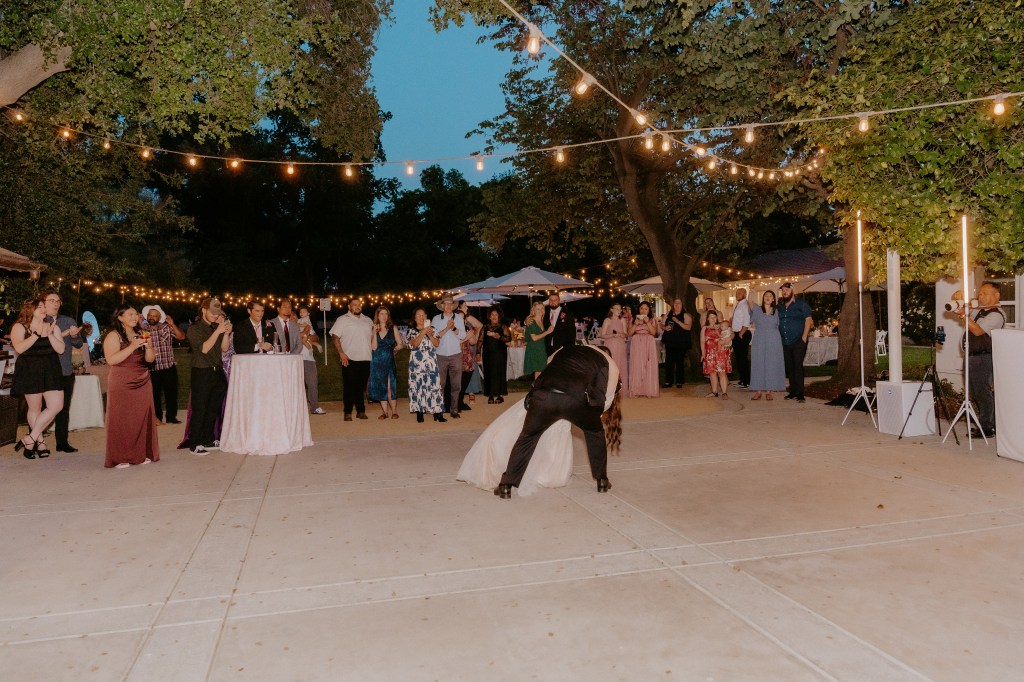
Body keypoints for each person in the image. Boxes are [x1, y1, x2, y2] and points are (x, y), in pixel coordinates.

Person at [489, 345, 622, 499]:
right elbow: (605, 393)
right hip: (576, 399)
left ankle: (506, 485)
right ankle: (602, 480)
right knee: (595, 433)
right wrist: (594, 415)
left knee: (527, 437)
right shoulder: (606, 361)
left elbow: (549, 362)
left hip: (545, 396)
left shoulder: (566, 349)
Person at [103, 306, 160, 468]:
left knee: (140, 418)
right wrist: (132, 346)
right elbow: (112, 360)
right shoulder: (113, 336)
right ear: (120, 317)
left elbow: (150, 360)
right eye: (130, 314)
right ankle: (120, 456)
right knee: (122, 419)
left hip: (142, 379)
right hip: (122, 381)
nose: (135, 317)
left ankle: (140, 454)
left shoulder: (141, 333)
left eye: (136, 314)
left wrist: (148, 346)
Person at [9, 296, 65, 458]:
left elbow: (61, 349)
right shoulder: (20, 327)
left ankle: (30, 438)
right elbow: (19, 348)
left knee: (56, 405)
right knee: (35, 407)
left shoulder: (53, 326)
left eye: (43, 307)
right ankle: (39, 442)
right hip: (29, 368)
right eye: (39, 307)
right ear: (29, 309)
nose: (43, 309)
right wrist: (36, 334)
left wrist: (49, 334)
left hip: (51, 368)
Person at [185, 297, 232, 455]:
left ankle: (207, 438)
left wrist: (225, 333)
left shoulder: (215, 327)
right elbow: (204, 349)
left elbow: (224, 349)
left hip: (217, 371)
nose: (214, 315)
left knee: (213, 408)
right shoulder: (194, 328)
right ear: (204, 310)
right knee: (200, 408)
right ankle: (195, 443)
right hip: (201, 371)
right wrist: (218, 331)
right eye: (212, 312)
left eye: (217, 312)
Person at [959, 281, 1004, 438]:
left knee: (983, 392)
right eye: (980, 293)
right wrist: (959, 301)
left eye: (985, 293)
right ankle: (983, 423)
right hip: (971, 356)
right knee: (974, 391)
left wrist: (965, 316)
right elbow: (964, 316)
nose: (981, 296)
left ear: (996, 296)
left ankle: (987, 427)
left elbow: (978, 331)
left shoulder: (997, 315)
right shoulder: (979, 311)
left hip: (984, 357)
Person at [44, 290, 84, 451]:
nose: (55, 303)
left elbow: (79, 344)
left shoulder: (67, 320)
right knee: (40, 407)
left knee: (63, 408)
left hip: (65, 370)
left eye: (58, 301)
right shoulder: (39, 321)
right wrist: (63, 334)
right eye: (51, 300)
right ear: (44, 303)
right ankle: (34, 440)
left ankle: (62, 442)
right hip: (44, 371)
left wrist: (74, 336)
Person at [140, 304, 186, 426]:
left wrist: (172, 324)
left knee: (171, 393)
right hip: (152, 369)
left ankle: (171, 417)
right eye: (150, 315)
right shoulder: (142, 329)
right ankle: (157, 418)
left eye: (155, 316)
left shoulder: (166, 328)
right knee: (154, 395)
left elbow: (181, 337)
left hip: (168, 366)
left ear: (159, 317)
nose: (151, 317)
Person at [329, 297, 373, 421]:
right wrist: (341, 353)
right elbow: (335, 337)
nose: (357, 306)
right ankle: (347, 412)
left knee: (361, 386)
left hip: (365, 358)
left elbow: (373, 338)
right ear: (349, 306)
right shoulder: (342, 319)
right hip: (349, 358)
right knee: (349, 386)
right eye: (355, 304)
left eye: (359, 304)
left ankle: (361, 411)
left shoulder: (368, 320)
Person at [406, 307, 446, 423]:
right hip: (417, 364)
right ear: (414, 318)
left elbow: (437, 343)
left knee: (434, 386)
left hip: (431, 362)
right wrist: (422, 332)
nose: (421, 317)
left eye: (423, 315)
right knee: (418, 386)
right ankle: (420, 411)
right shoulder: (411, 330)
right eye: (418, 315)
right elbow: (413, 344)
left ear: (426, 316)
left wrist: (429, 334)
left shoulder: (432, 329)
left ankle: (437, 412)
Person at [432, 293, 467, 419]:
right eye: (445, 303)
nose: (447, 306)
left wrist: (454, 329)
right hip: (440, 355)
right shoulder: (436, 319)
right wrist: (447, 328)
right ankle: (439, 410)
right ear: (442, 305)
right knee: (440, 384)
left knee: (456, 384)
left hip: (456, 355)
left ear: (453, 305)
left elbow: (463, 336)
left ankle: (454, 410)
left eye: (450, 303)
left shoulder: (458, 318)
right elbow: (434, 337)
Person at [777, 282, 813, 403]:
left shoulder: (801, 304)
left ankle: (800, 394)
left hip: (798, 341)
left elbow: (808, 319)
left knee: (798, 366)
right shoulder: (780, 306)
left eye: (787, 289)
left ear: (792, 290)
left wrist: (804, 337)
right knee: (789, 367)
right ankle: (792, 391)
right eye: (783, 290)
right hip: (785, 341)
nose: (785, 292)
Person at [747, 291, 786, 401]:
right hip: (759, 339)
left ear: (773, 299)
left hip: (774, 339)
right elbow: (749, 301)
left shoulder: (777, 311)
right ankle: (758, 391)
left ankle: (769, 391)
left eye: (770, 296)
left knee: (771, 364)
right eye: (766, 296)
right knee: (758, 364)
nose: (768, 297)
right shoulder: (757, 309)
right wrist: (751, 288)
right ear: (763, 298)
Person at [368, 305, 402, 420]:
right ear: (377, 315)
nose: (384, 316)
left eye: (386, 314)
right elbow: (373, 347)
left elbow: (400, 344)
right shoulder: (373, 329)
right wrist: (374, 332)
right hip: (377, 361)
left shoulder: (393, 328)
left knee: (389, 387)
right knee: (381, 387)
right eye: (382, 314)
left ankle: (394, 411)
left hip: (389, 361)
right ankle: (384, 412)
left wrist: (396, 349)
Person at [627, 301, 660, 398]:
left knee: (648, 365)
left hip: (648, 343)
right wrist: (635, 325)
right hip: (636, 343)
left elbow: (654, 332)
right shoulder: (633, 319)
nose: (643, 310)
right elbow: (629, 333)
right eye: (642, 308)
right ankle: (636, 390)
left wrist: (647, 322)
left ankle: (649, 390)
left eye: (646, 308)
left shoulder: (652, 320)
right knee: (637, 365)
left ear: (649, 310)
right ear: (639, 309)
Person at [297, 307, 325, 415]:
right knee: (298, 384)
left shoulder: (306, 320)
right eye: (300, 312)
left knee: (312, 383)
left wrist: (307, 336)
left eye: (303, 312)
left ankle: (314, 406)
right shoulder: (293, 324)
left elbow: (314, 335)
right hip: (296, 358)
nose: (301, 313)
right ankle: (300, 407)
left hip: (308, 358)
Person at [456, 303, 483, 411]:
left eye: (464, 319)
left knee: (465, 379)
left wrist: (473, 335)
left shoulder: (466, 327)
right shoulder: (453, 329)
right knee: (457, 381)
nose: (467, 308)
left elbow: (473, 342)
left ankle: (460, 401)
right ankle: (456, 402)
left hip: (467, 356)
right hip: (456, 356)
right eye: (464, 306)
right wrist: (467, 337)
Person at [480, 306, 510, 404]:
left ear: (499, 316)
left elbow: (509, 338)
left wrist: (499, 337)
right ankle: (490, 395)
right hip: (487, 354)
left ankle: (500, 395)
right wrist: (477, 352)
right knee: (489, 373)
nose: (494, 316)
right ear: (489, 316)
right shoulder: (485, 327)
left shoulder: (503, 326)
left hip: (500, 353)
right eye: (492, 315)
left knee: (499, 373)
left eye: (496, 315)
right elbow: (480, 340)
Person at [660, 298, 692, 388]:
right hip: (669, 341)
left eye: (679, 303)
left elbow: (688, 327)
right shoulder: (668, 314)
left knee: (679, 362)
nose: (677, 305)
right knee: (669, 362)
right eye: (675, 303)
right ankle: (668, 381)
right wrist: (664, 327)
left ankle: (679, 381)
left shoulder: (686, 315)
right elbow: (661, 324)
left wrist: (678, 321)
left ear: (682, 305)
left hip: (681, 342)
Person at [701, 310, 731, 398]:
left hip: (720, 352)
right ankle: (714, 392)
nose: (713, 319)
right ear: (708, 319)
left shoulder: (721, 326)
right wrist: (703, 354)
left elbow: (730, 332)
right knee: (712, 373)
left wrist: (729, 337)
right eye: (711, 317)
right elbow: (702, 341)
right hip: (710, 353)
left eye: (714, 317)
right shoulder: (705, 328)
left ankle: (724, 392)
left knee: (722, 373)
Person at [600, 303, 629, 390]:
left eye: (620, 309)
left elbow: (625, 334)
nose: (618, 310)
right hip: (610, 345)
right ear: (611, 310)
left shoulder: (622, 320)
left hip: (620, 345)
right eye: (616, 308)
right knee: (612, 365)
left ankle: (620, 388)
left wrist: (621, 334)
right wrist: (612, 335)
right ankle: (610, 388)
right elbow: (602, 335)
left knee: (621, 365)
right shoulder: (607, 320)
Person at [523, 301, 552, 379]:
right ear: (533, 310)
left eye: (542, 308)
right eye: (538, 309)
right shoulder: (531, 321)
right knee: (539, 372)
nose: (540, 310)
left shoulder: (542, 321)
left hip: (541, 348)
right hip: (534, 349)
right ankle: (536, 389)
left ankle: (536, 389)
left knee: (540, 372)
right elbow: (534, 338)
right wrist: (547, 332)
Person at [731, 288, 752, 389]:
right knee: (739, 359)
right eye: (737, 293)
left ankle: (748, 381)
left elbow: (747, 319)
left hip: (742, 333)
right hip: (736, 334)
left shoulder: (745, 305)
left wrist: (741, 333)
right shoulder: (738, 305)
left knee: (743, 359)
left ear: (745, 294)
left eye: (740, 293)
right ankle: (743, 379)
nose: (737, 294)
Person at [544, 292, 576, 357]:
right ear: (548, 301)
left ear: (559, 301)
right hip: (546, 347)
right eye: (551, 300)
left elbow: (572, 332)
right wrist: (525, 322)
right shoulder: (544, 312)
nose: (553, 302)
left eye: (555, 300)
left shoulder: (567, 313)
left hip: (562, 347)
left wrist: (570, 348)